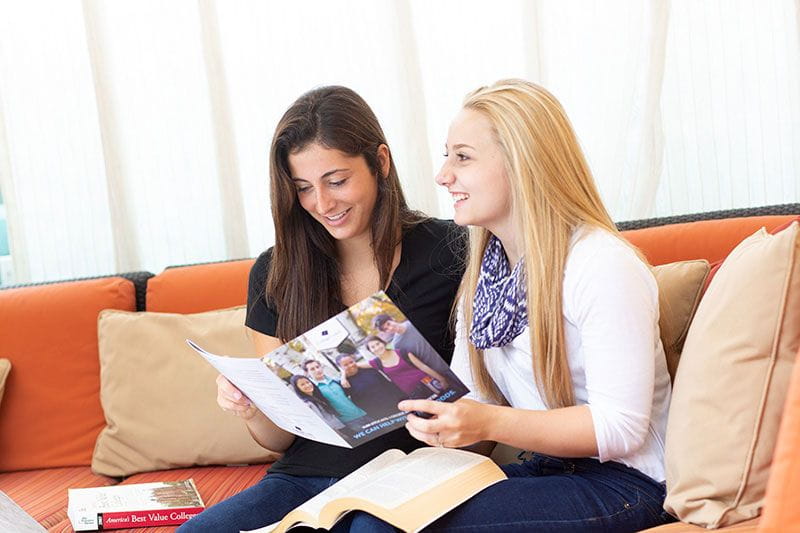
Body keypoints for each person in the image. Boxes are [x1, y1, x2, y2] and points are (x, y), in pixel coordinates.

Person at [391, 79, 675, 531]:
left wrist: (487, 422)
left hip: (628, 483)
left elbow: (620, 427)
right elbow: (473, 400)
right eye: (447, 155)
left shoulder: (600, 263)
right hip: (552, 470)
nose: (443, 174)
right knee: (371, 521)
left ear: (522, 164)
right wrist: (419, 407)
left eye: (462, 157)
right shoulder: (486, 275)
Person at [178, 85, 464, 533]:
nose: (322, 204)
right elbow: (279, 440)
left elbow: (490, 390)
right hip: (303, 479)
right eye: (304, 189)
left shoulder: (450, 252)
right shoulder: (275, 273)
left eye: (336, 181)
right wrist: (252, 406)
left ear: (380, 163)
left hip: (411, 471)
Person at [372, 313, 465, 393]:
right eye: (386, 329)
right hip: (440, 373)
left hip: (454, 359)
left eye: (388, 323)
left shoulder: (414, 323)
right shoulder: (397, 345)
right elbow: (416, 364)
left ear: (392, 319)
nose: (390, 328)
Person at [362, 336, 448, 399]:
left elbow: (423, 366)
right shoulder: (376, 363)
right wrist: (347, 377)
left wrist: (442, 379)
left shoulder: (402, 352)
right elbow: (353, 365)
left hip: (428, 384)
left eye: (378, 344)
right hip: (413, 394)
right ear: (370, 351)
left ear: (383, 343)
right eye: (373, 347)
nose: (377, 347)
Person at [301, 358, 369, 433]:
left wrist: (343, 376)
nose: (317, 370)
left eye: (317, 367)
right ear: (307, 373)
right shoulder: (314, 390)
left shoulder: (335, 381)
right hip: (349, 422)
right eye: (312, 369)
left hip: (363, 413)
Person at [336, 353, 406, 419]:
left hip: (396, 403)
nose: (350, 365)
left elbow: (387, 384)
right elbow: (355, 402)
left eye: (351, 362)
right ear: (340, 367)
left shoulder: (369, 369)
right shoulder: (344, 383)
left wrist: (402, 399)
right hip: (379, 413)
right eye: (345, 365)